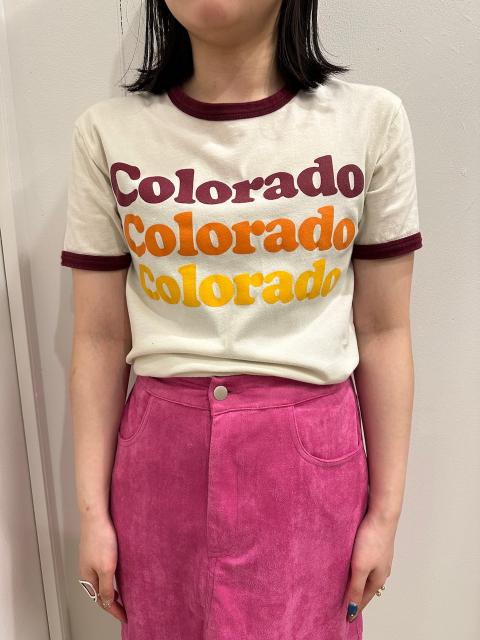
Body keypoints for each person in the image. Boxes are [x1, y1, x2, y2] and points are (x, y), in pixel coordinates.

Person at [61, 1, 423, 638]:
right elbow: (98, 337)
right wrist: (93, 515)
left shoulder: (370, 122)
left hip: (311, 464)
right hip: (160, 465)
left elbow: (385, 330)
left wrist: (385, 516)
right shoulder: (107, 133)